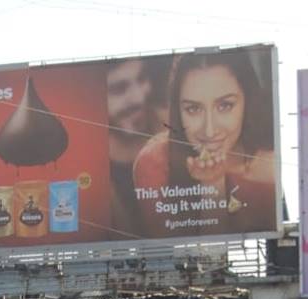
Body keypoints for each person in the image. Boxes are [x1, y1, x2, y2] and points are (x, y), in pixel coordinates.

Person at [132, 49, 276, 237]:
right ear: (177, 110)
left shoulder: (276, 163)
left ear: (248, 100)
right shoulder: (155, 162)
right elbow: (185, 258)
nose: (209, 131)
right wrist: (212, 184)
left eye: (225, 106)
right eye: (193, 109)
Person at [105, 58, 159, 236]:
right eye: (119, 89)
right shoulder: (82, 164)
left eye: (142, 78)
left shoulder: (181, 129)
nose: (140, 97)